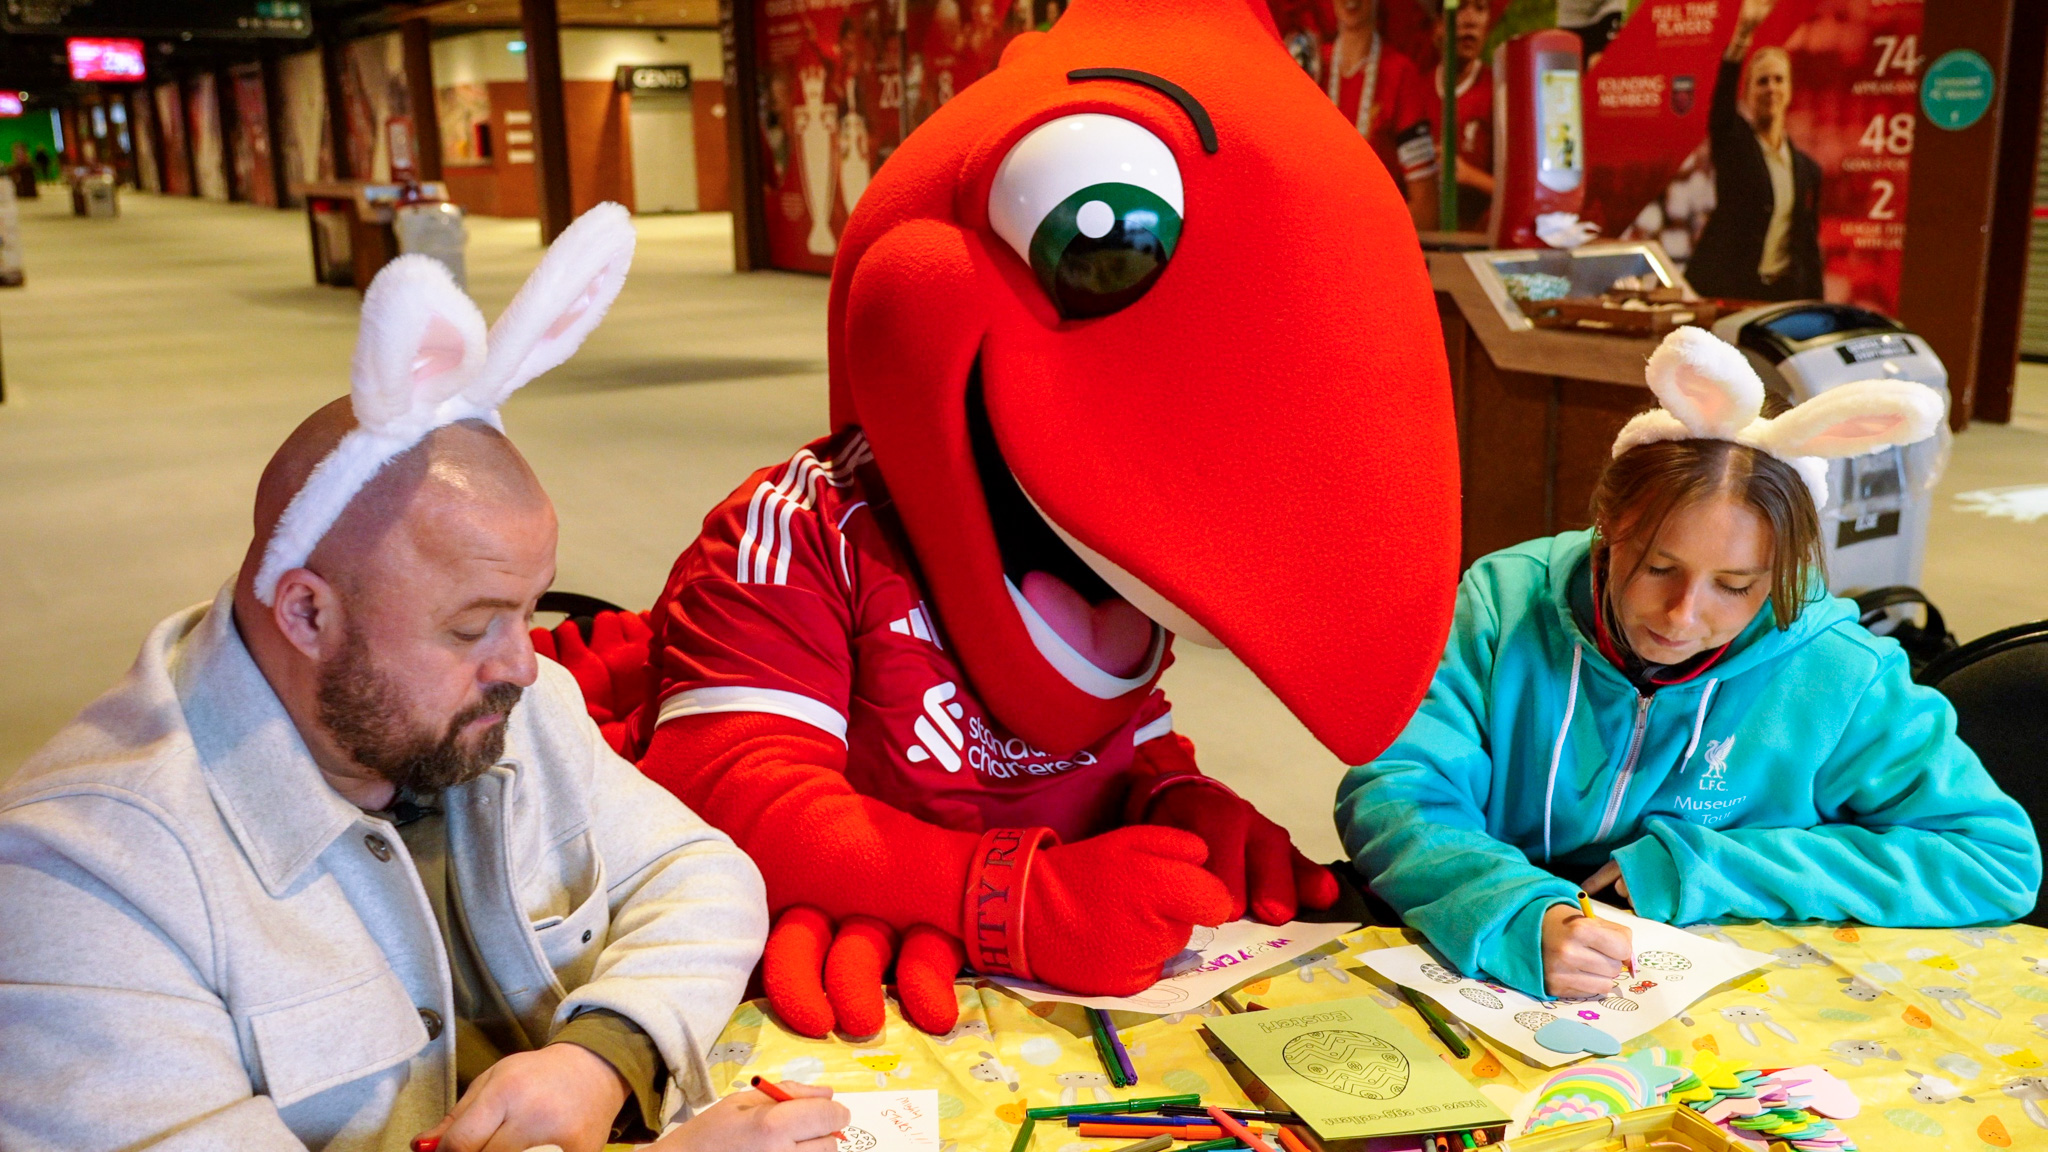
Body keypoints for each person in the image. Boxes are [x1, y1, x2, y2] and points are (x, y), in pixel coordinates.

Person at [545, 0, 1462, 1042]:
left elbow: (1118, 743)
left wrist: (1179, 802)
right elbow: (728, 788)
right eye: (1094, 237)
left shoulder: (1096, 549)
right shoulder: (795, 532)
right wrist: (1004, 903)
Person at [0, 207, 846, 1152]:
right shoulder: (75, 885)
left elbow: (700, 871)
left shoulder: (500, 711)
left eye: (528, 610)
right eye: (471, 627)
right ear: (307, 613)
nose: (526, 664)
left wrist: (603, 1057)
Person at [1337, 328, 2040, 1000]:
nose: (1681, 616)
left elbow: (1993, 861)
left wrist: (1715, 868)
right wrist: (1506, 906)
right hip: (1501, 966)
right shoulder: (1503, 603)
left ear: (1779, 573)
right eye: (1655, 567)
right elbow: (1396, 787)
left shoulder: (1840, 670)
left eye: (1735, 587)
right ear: (1609, 531)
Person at [1684, 0, 1822, 302]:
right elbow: (1720, 106)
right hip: (1726, 291)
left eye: (1778, 79)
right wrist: (1742, 37)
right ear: (1747, 93)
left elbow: (1807, 245)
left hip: (1779, 295)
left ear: (1789, 90)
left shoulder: (1808, 170)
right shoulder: (1734, 144)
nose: (1771, 88)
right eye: (1762, 81)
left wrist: (1816, 306)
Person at [1324, 0, 1440, 229]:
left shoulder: (1400, 74)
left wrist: (1362, 236)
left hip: (1375, 243)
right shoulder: (1309, 66)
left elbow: (1425, 207)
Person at [1432, 0, 1494, 232]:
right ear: (1438, 25)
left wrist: (1470, 176)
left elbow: (1521, 193)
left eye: (1480, 8)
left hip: (1479, 242)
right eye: (1461, 7)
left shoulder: (1499, 90)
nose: (1470, 20)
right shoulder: (1416, 87)